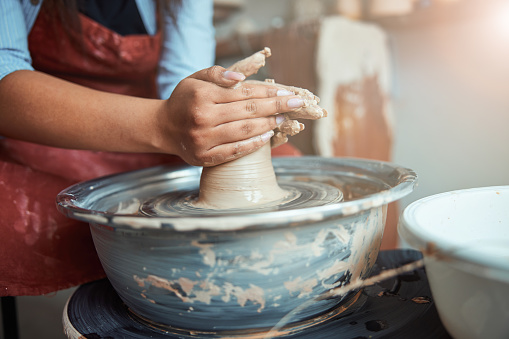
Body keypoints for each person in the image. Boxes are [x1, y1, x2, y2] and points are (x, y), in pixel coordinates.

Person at [0, 0, 305, 296]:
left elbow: (182, 79)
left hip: (152, 119)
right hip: (49, 127)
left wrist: (216, 117)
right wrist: (161, 125)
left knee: (290, 168)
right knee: (18, 221)